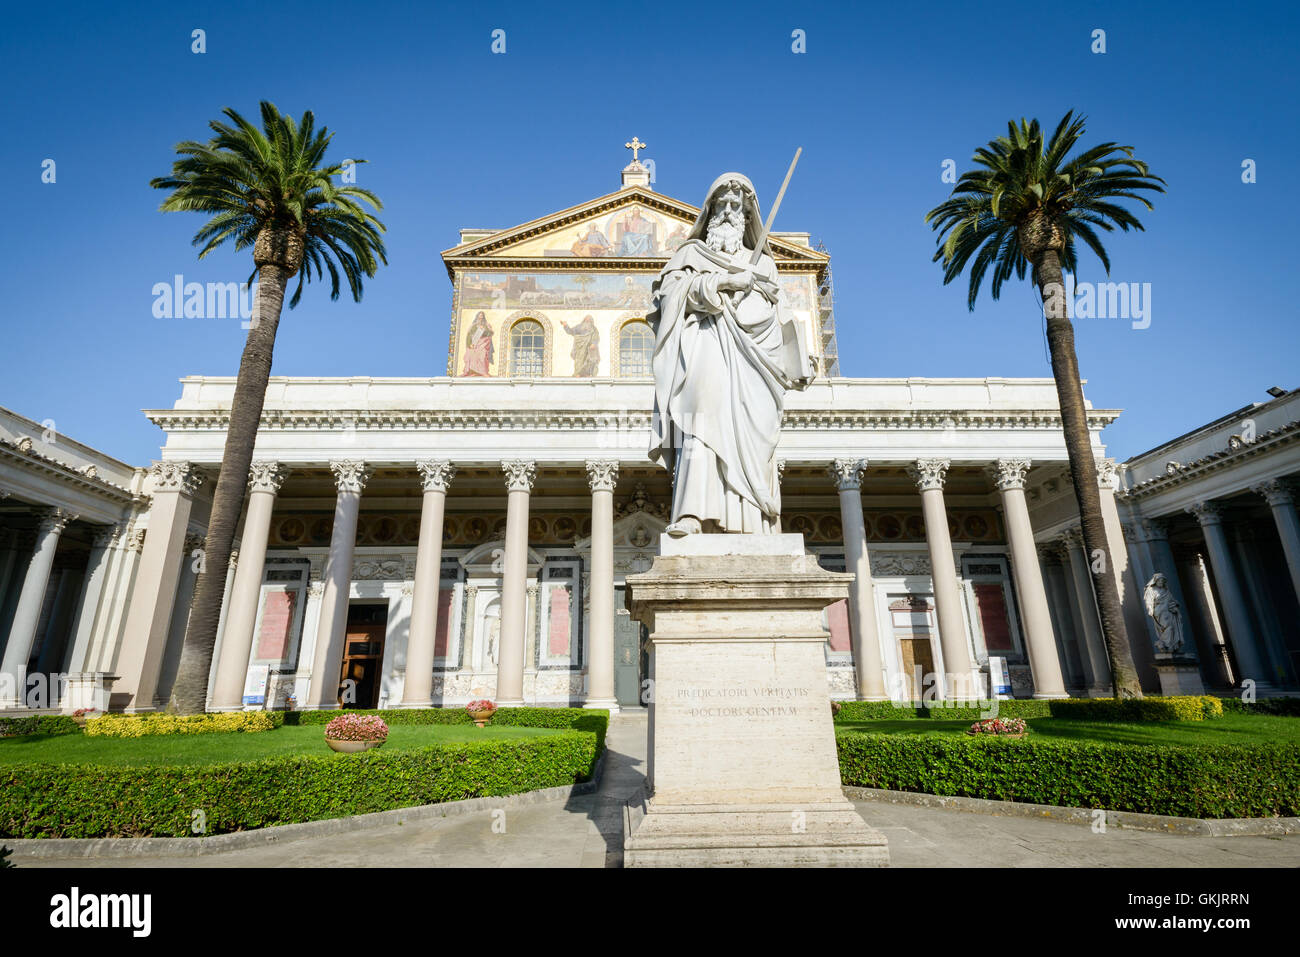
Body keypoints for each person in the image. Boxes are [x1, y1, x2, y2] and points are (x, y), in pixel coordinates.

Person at [647, 173, 813, 536]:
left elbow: (780, 314)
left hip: (753, 364)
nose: (728, 211)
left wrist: (799, 358)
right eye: (721, 205)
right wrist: (722, 282)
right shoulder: (690, 254)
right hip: (704, 348)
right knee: (699, 420)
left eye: (736, 206)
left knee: (753, 437)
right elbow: (668, 297)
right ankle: (692, 513)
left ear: (748, 215)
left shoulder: (763, 263)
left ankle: (752, 521)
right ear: (709, 211)